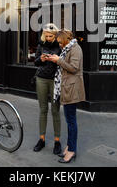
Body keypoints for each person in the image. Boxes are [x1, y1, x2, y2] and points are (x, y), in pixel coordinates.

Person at [46, 30, 85, 163]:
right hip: (67, 87)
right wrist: (55, 59)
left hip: (71, 89)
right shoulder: (69, 48)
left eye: (60, 42)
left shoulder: (76, 49)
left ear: (66, 40)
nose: (60, 45)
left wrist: (58, 61)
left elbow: (74, 68)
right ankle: (69, 146)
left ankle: (72, 151)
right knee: (69, 120)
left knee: (71, 121)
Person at [33, 23, 62, 155]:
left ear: (55, 35)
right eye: (46, 35)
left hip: (55, 80)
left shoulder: (60, 46)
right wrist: (41, 59)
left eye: (51, 36)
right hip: (41, 79)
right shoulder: (41, 45)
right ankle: (42, 139)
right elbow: (36, 62)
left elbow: (64, 62)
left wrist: (57, 60)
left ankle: (57, 141)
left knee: (55, 110)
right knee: (43, 109)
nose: (49, 38)